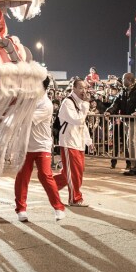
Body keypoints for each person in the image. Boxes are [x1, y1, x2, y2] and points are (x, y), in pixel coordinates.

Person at [15, 77, 66, 222]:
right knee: (22, 178)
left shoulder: (46, 104)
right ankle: (21, 209)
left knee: (45, 176)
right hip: (24, 146)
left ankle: (58, 207)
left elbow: (25, 119)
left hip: (41, 146)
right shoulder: (28, 98)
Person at [53, 77, 92, 207]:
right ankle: (75, 198)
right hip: (69, 141)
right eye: (80, 88)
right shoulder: (67, 102)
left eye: (85, 88)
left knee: (74, 171)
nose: (83, 91)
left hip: (78, 142)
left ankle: (50, 185)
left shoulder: (81, 103)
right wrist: (86, 105)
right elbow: (77, 120)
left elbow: (83, 125)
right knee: (73, 172)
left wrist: (89, 141)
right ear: (74, 88)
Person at [106, 72, 136, 175]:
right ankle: (134, 166)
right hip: (126, 119)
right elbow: (116, 103)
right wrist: (109, 111)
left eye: (123, 79)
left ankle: (135, 167)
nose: (122, 81)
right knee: (129, 143)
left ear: (129, 80)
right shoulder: (123, 91)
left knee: (131, 142)